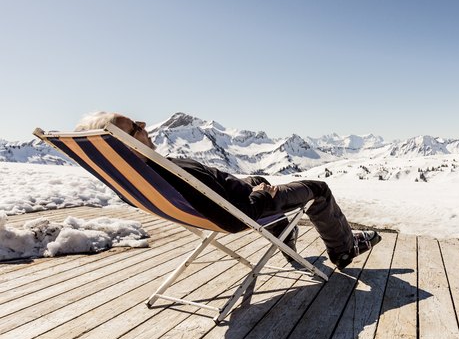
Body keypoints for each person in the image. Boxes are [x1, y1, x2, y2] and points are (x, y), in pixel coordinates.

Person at [74, 112, 380, 270]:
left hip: (232, 197)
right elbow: (238, 218)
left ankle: (289, 246)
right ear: (126, 143)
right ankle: (343, 249)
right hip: (244, 207)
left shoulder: (147, 171)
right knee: (319, 189)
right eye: (136, 126)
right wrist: (262, 193)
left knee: (259, 176)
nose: (145, 125)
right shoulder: (174, 173)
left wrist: (251, 185)